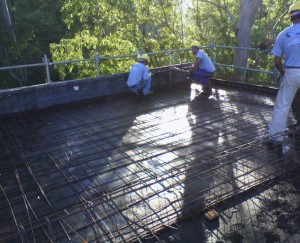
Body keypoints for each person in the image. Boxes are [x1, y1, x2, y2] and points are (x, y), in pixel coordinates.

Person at [266, 1, 300, 146]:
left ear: (291, 17)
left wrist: (284, 73)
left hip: (291, 72)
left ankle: (275, 139)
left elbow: (277, 61)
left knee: (282, 106)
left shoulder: (283, 34)